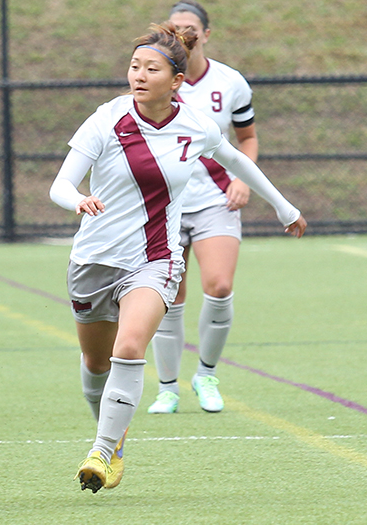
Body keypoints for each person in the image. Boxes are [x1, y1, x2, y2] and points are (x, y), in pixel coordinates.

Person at [49, 21, 306, 494]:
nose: (139, 75)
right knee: (95, 363)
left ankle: (102, 453)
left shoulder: (194, 125)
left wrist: (283, 206)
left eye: (152, 68)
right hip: (94, 259)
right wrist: (77, 200)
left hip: (156, 259)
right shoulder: (107, 118)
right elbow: (61, 184)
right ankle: (113, 437)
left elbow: (237, 160)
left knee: (129, 348)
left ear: (177, 81)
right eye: (134, 66)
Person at [146, 1, 258, 416]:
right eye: (173, 28)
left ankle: (206, 375)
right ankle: (168, 388)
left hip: (216, 200)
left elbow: (246, 138)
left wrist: (242, 178)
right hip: (165, 206)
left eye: (189, 28)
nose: (182, 35)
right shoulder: (155, 80)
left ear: (206, 34)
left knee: (220, 286)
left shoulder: (230, 82)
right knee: (169, 296)